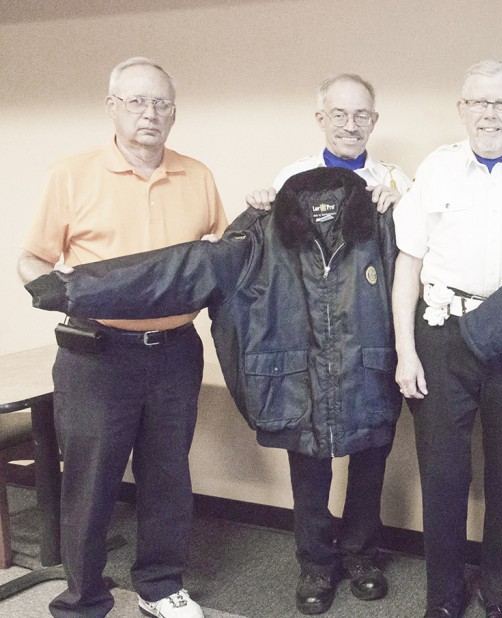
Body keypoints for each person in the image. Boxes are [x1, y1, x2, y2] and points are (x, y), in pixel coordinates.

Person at [17, 57, 227, 618]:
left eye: (161, 103)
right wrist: (51, 292)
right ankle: (84, 597)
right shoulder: (71, 174)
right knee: (89, 482)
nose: (149, 114)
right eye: (136, 101)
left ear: (175, 113)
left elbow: (223, 254)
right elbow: (32, 256)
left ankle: (160, 587)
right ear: (112, 107)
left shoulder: (198, 175)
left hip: (177, 353)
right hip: (97, 354)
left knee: (167, 476)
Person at [391, 59, 502, 618]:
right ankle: (442, 599)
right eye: (478, 102)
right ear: (462, 109)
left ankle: (499, 596)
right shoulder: (436, 170)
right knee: (443, 478)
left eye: (501, 103)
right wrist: (404, 352)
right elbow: (408, 265)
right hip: (443, 336)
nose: (490, 113)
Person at [245, 73, 410, 615]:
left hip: (369, 349)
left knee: (369, 456)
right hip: (308, 351)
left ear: (374, 121)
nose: (350, 124)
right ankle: (315, 562)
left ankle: (361, 553)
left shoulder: (395, 183)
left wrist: (404, 201)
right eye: (338, 114)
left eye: (361, 115)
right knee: (309, 462)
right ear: (320, 118)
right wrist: (257, 204)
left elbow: (412, 266)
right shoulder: (288, 182)